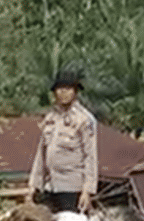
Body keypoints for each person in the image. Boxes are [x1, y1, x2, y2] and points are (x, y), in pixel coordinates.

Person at [27, 68, 98, 213]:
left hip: (72, 188)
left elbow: (90, 157)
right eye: (60, 89)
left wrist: (87, 191)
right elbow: (41, 154)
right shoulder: (51, 118)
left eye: (68, 88)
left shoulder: (83, 119)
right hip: (51, 185)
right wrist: (33, 185)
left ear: (75, 92)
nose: (63, 92)